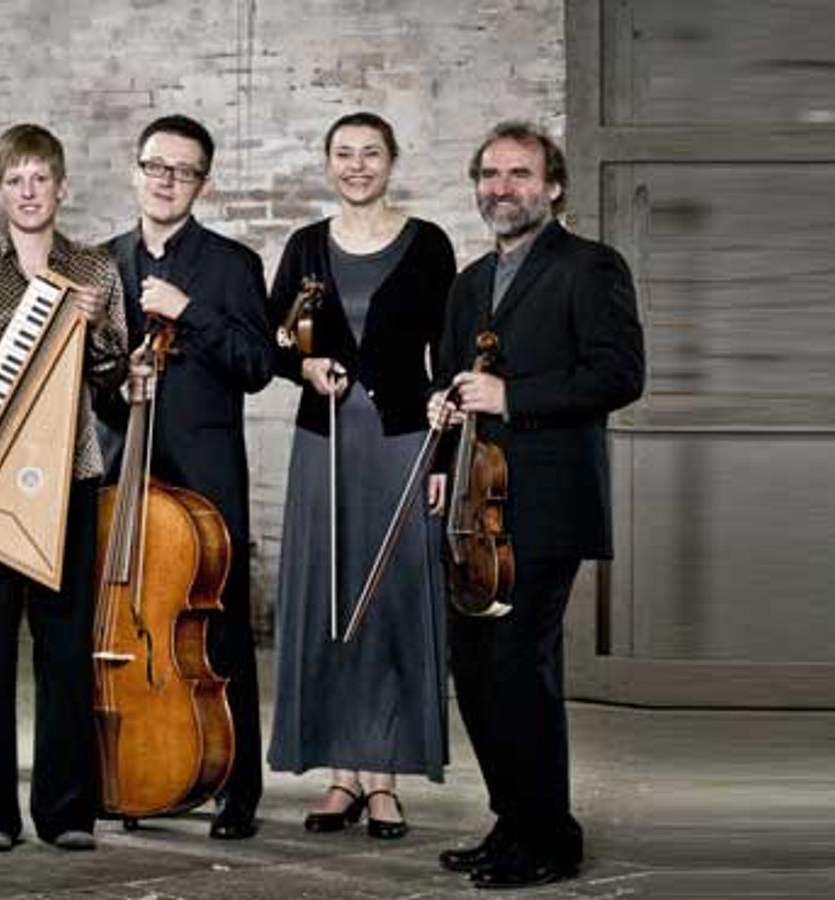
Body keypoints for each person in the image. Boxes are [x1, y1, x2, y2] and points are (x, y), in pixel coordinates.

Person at [428, 121, 643, 888]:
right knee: (473, 667)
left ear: (551, 187)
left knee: (520, 667)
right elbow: (453, 377)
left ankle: (549, 838)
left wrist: (511, 397)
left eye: (519, 173)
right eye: (488, 174)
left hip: (547, 505)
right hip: (474, 505)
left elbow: (618, 375)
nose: (501, 187)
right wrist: (443, 415)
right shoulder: (467, 284)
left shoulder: (590, 266)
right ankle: (512, 820)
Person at [0, 123, 126, 853]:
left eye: (41, 178)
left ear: (62, 187)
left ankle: (68, 810)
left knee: (65, 648)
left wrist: (95, 332)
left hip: (68, 474)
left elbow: (110, 378)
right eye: (15, 180)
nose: (29, 191)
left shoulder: (96, 269)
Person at [264, 112, 457, 839]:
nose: (356, 165)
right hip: (326, 443)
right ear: (327, 163)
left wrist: (444, 459)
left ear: (391, 161)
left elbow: (450, 359)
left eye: (370, 153)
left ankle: (384, 780)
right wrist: (305, 365)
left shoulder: (428, 244)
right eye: (343, 154)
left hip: (403, 444)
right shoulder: (305, 245)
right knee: (331, 597)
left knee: (392, 602)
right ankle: (341, 775)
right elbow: (277, 340)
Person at [104, 115, 273, 840]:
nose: (165, 180)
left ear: (202, 183)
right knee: (129, 619)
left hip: (205, 475)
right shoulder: (104, 262)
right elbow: (90, 373)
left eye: (182, 170)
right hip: (127, 463)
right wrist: (115, 383)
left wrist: (188, 312)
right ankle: (142, 776)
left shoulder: (231, 265)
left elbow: (258, 365)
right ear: (135, 171)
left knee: (217, 628)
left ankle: (237, 789)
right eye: (155, 165)